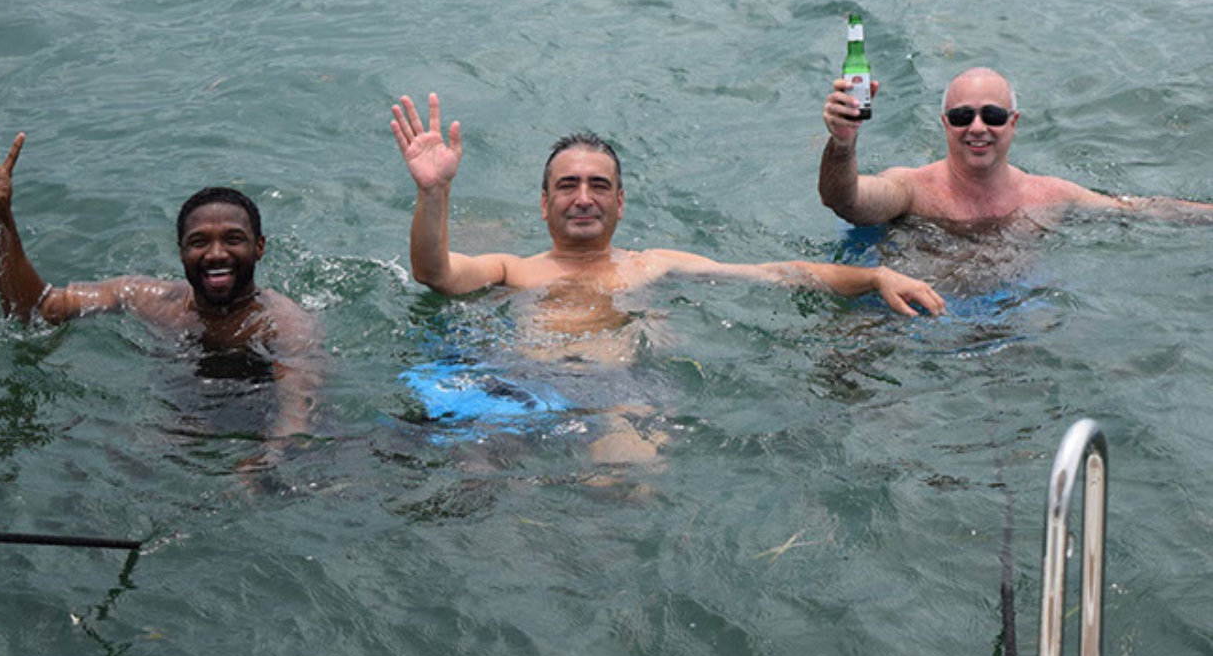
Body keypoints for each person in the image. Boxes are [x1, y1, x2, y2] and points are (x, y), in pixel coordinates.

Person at [390, 93, 945, 464]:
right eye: (567, 185)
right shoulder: (512, 269)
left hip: (616, 394)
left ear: (620, 202)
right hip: (516, 384)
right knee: (472, 472)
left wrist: (873, 276)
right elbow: (435, 273)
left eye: (598, 185)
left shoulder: (654, 264)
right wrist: (433, 192)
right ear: (543, 204)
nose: (583, 198)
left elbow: (779, 273)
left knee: (628, 483)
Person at [0, 125, 323, 464]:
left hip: (256, 426)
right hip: (182, 424)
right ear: (181, 251)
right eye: (199, 241)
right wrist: (1, 218)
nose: (216, 254)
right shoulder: (147, 298)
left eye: (233, 239)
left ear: (259, 247)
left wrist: (262, 463)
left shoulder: (284, 324)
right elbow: (35, 309)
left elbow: (296, 421)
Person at [819, 67, 1213, 226]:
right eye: (962, 116)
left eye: (992, 115)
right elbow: (846, 201)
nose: (977, 128)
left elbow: (1137, 210)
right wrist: (842, 143)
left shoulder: (1049, 196)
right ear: (945, 123)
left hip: (1011, 318)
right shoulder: (909, 189)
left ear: (1013, 122)